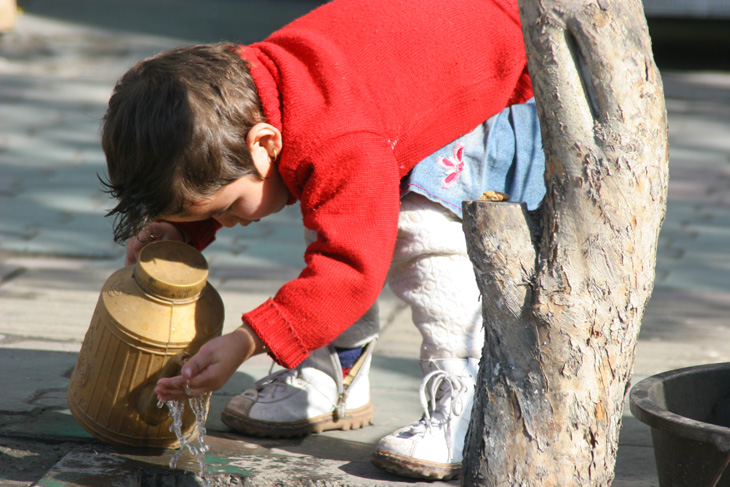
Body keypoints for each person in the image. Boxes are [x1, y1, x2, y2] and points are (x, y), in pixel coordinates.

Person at [101, 0, 546, 480]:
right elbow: (241, 174)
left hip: (517, 84)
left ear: (264, 144)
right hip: (412, 84)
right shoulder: (246, 89)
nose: (227, 222)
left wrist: (252, 340)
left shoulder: (337, 138)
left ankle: (465, 394)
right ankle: (339, 373)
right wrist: (181, 232)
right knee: (330, 198)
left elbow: (351, 270)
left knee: (419, 227)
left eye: (224, 210)